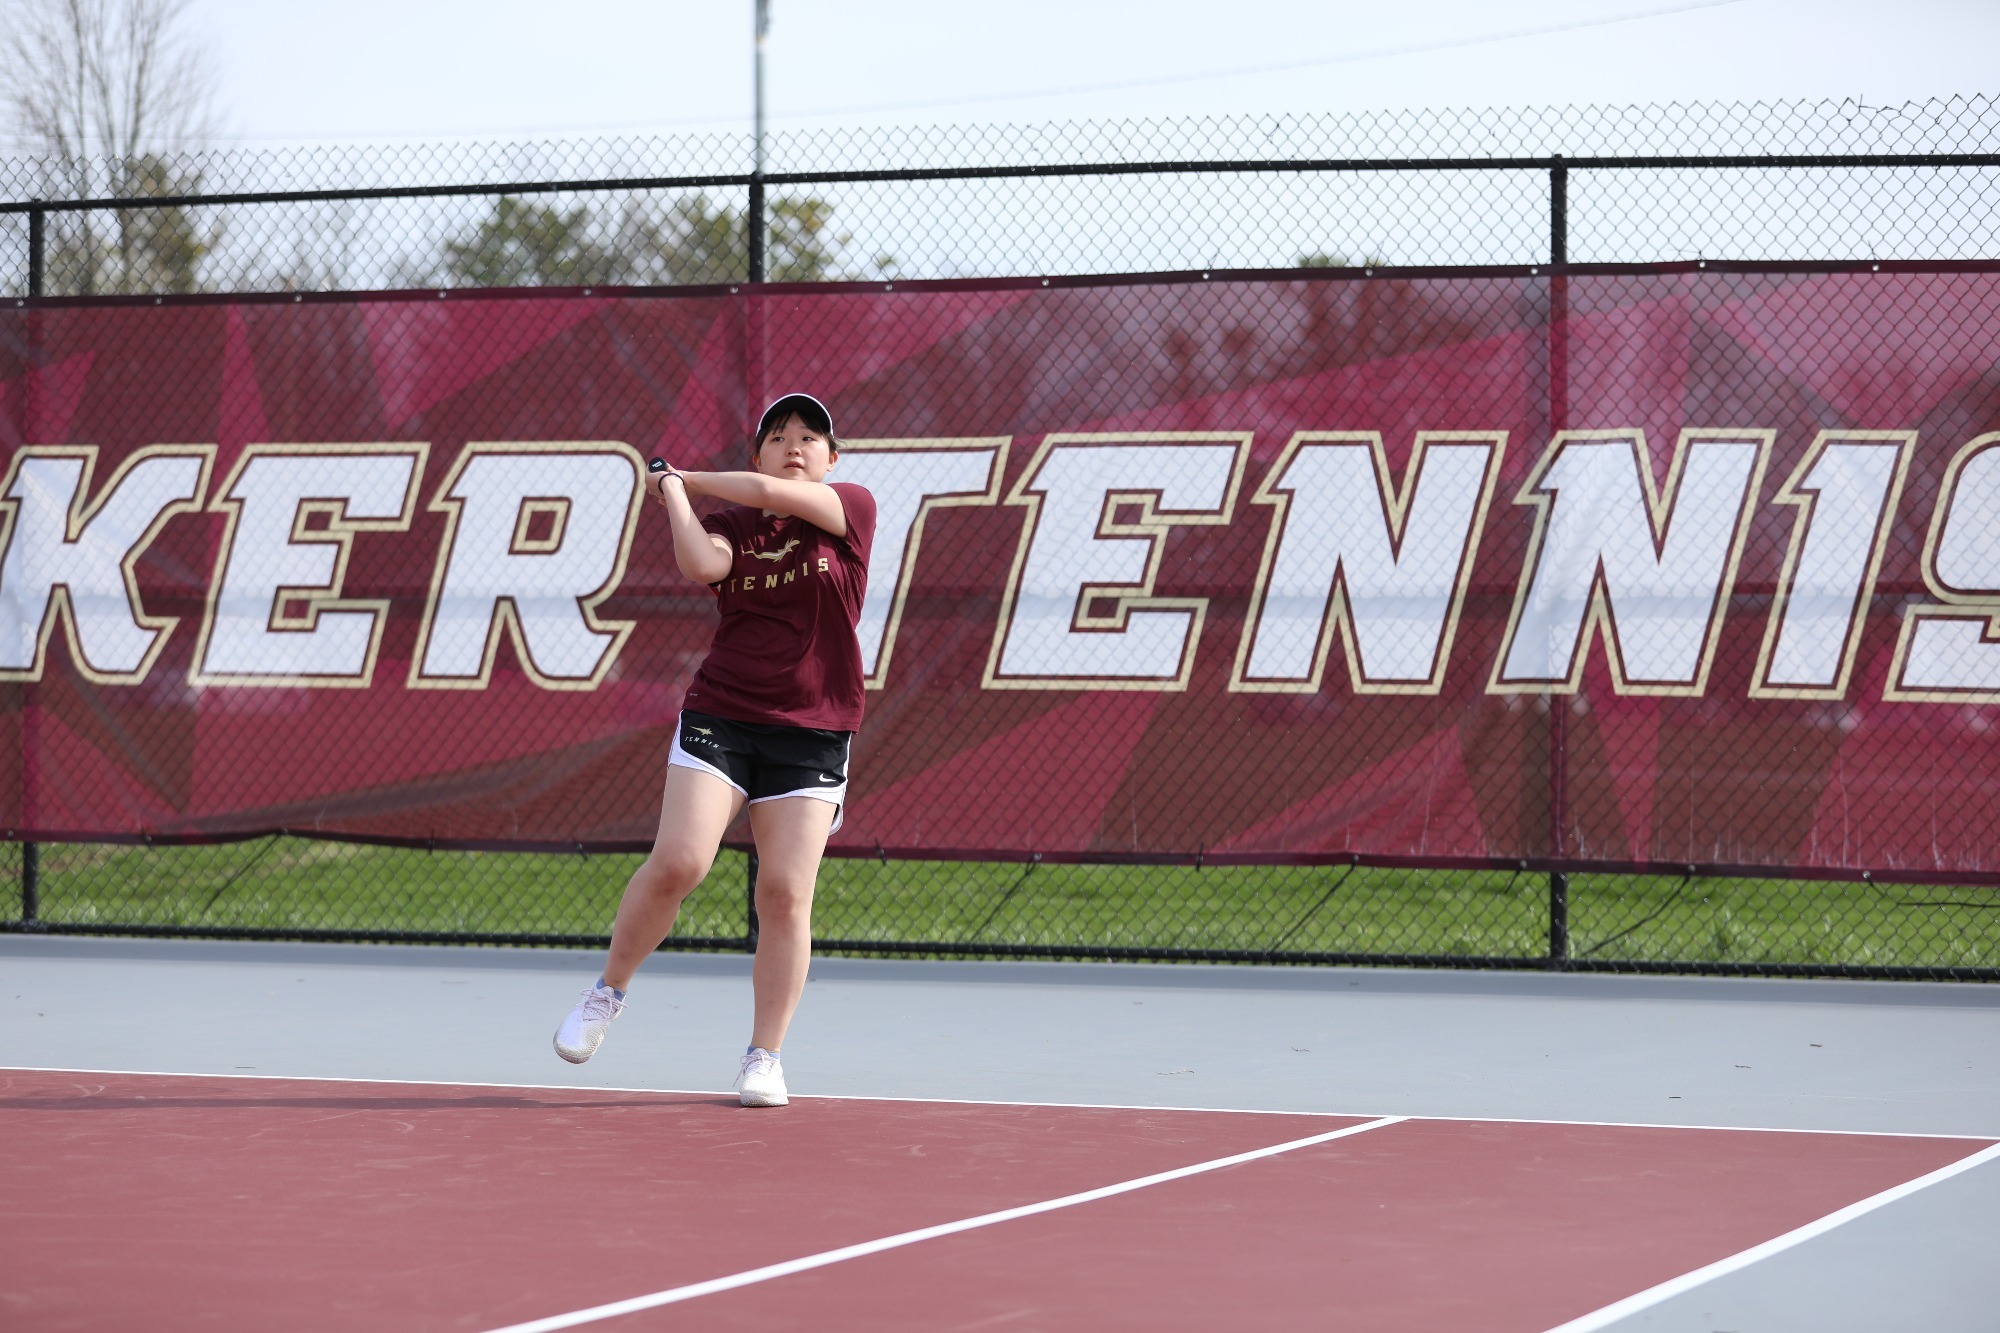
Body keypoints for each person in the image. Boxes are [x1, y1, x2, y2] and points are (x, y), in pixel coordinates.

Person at [553, 393, 875, 1107]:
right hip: (723, 715)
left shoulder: (849, 507)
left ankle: (765, 1056)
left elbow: (771, 492)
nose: (796, 446)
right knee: (679, 863)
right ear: (757, 450)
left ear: (831, 459)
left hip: (816, 728)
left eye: (811, 437)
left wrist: (687, 474)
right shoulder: (733, 522)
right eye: (779, 436)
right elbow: (703, 563)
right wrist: (674, 494)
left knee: (785, 894)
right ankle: (608, 991)